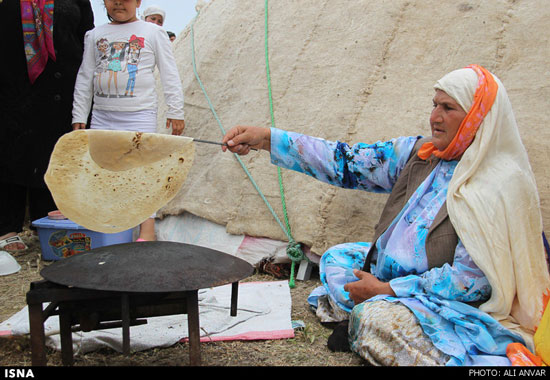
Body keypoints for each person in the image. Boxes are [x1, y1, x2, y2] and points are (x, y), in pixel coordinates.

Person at [222, 65, 550, 366]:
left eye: (448, 108)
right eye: (434, 105)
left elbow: (470, 283)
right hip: (389, 277)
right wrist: (268, 139)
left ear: (479, 117)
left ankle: (370, 319)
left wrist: (388, 291)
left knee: (376, 320)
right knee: (336, 258)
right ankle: (368, 308)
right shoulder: (423, 154)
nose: (434, 117)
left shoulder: (495, 183)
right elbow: (345, 162)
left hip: (443, 299)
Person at [71, 0, 185, 241]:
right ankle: (112, 227)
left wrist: (176, 111)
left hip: (139, 114)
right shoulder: (94, 35)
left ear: (138, 1)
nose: (119, 2)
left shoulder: (153, 32)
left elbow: (169, 72)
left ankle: (146, 229)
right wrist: (79, 114)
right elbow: (85, 76)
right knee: (104, 170)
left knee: (142, 171)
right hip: (103, 115)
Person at [0, 0, 94, 252]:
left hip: (62, 86)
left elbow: (87, 38)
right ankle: (7, 227)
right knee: (12, 151)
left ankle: (46, 223)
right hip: (14, 85)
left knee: (52, 152)